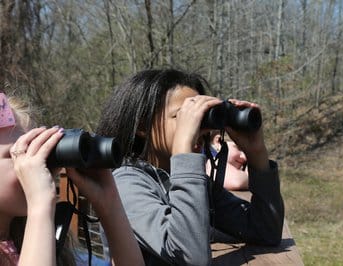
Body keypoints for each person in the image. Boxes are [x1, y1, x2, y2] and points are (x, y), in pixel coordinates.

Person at [96, 69, 285, 265]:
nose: (198, 127)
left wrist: (257, 154)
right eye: (184, 116)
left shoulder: (179, 179)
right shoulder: (126, 184)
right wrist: (184, 154)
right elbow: (191, 259)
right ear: (142, 126)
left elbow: (265, 231)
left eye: (201, 117)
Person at [0, 93, 144, 266]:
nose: (35, 163)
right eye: (18, 153)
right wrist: (40, 205)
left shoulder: (34, 240)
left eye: (39, 149)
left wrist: (110, 205)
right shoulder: (38, 222)